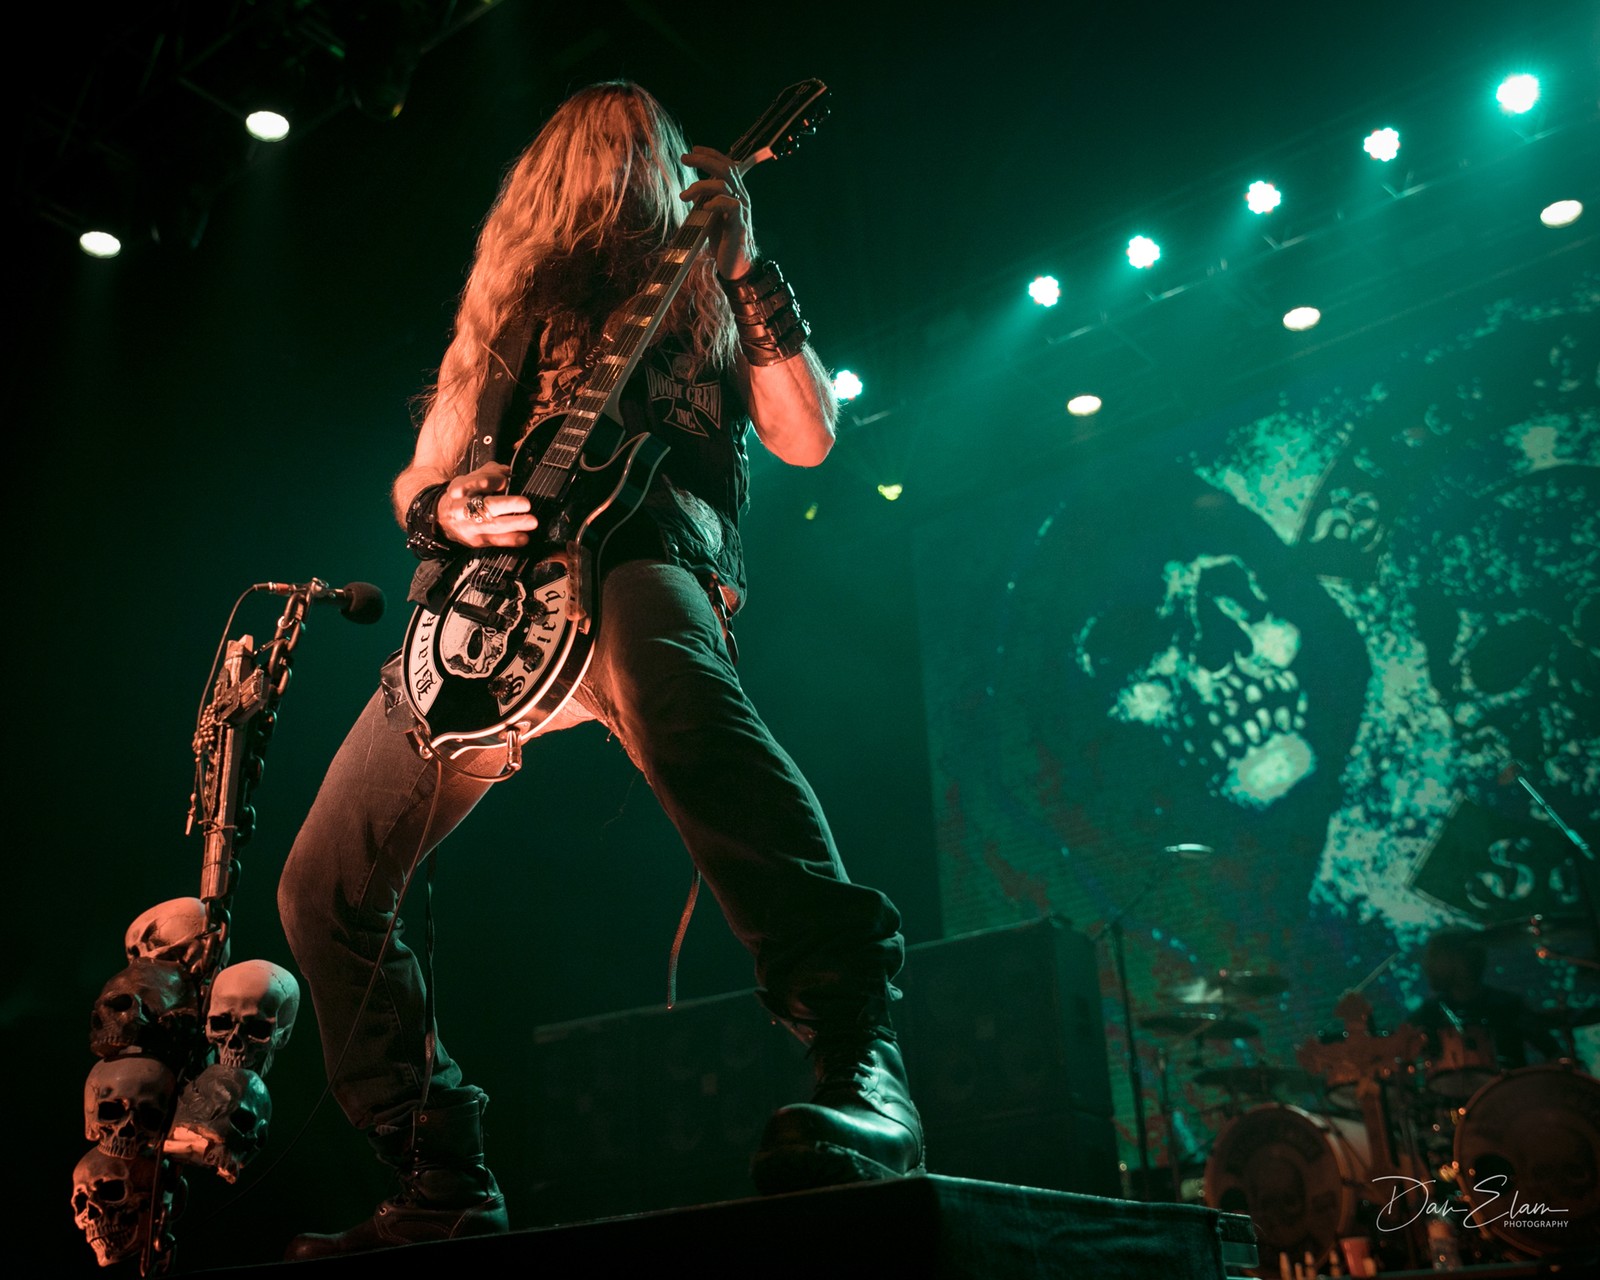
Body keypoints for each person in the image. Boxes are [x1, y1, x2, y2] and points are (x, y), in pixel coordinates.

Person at [275, 81, 923, 1259]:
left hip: (642, 547)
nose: (616, 176)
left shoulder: (709, 291)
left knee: (687, 726)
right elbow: (421, 477)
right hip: (488, 611)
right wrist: (449, 509)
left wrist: (743, 272)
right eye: (593, 157)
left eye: (642, 155)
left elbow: (808, 435)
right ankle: (438, 1168)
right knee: (321, 883)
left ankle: (860, 1058)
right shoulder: (507, 311)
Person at [1408, 928, 1564, 1078]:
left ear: (1460, 961)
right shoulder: (1429, 1012)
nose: (1427, 965)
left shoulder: (1507, 1006)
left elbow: (1554, 1054)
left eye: (1435, 956)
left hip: (1510, 1099)